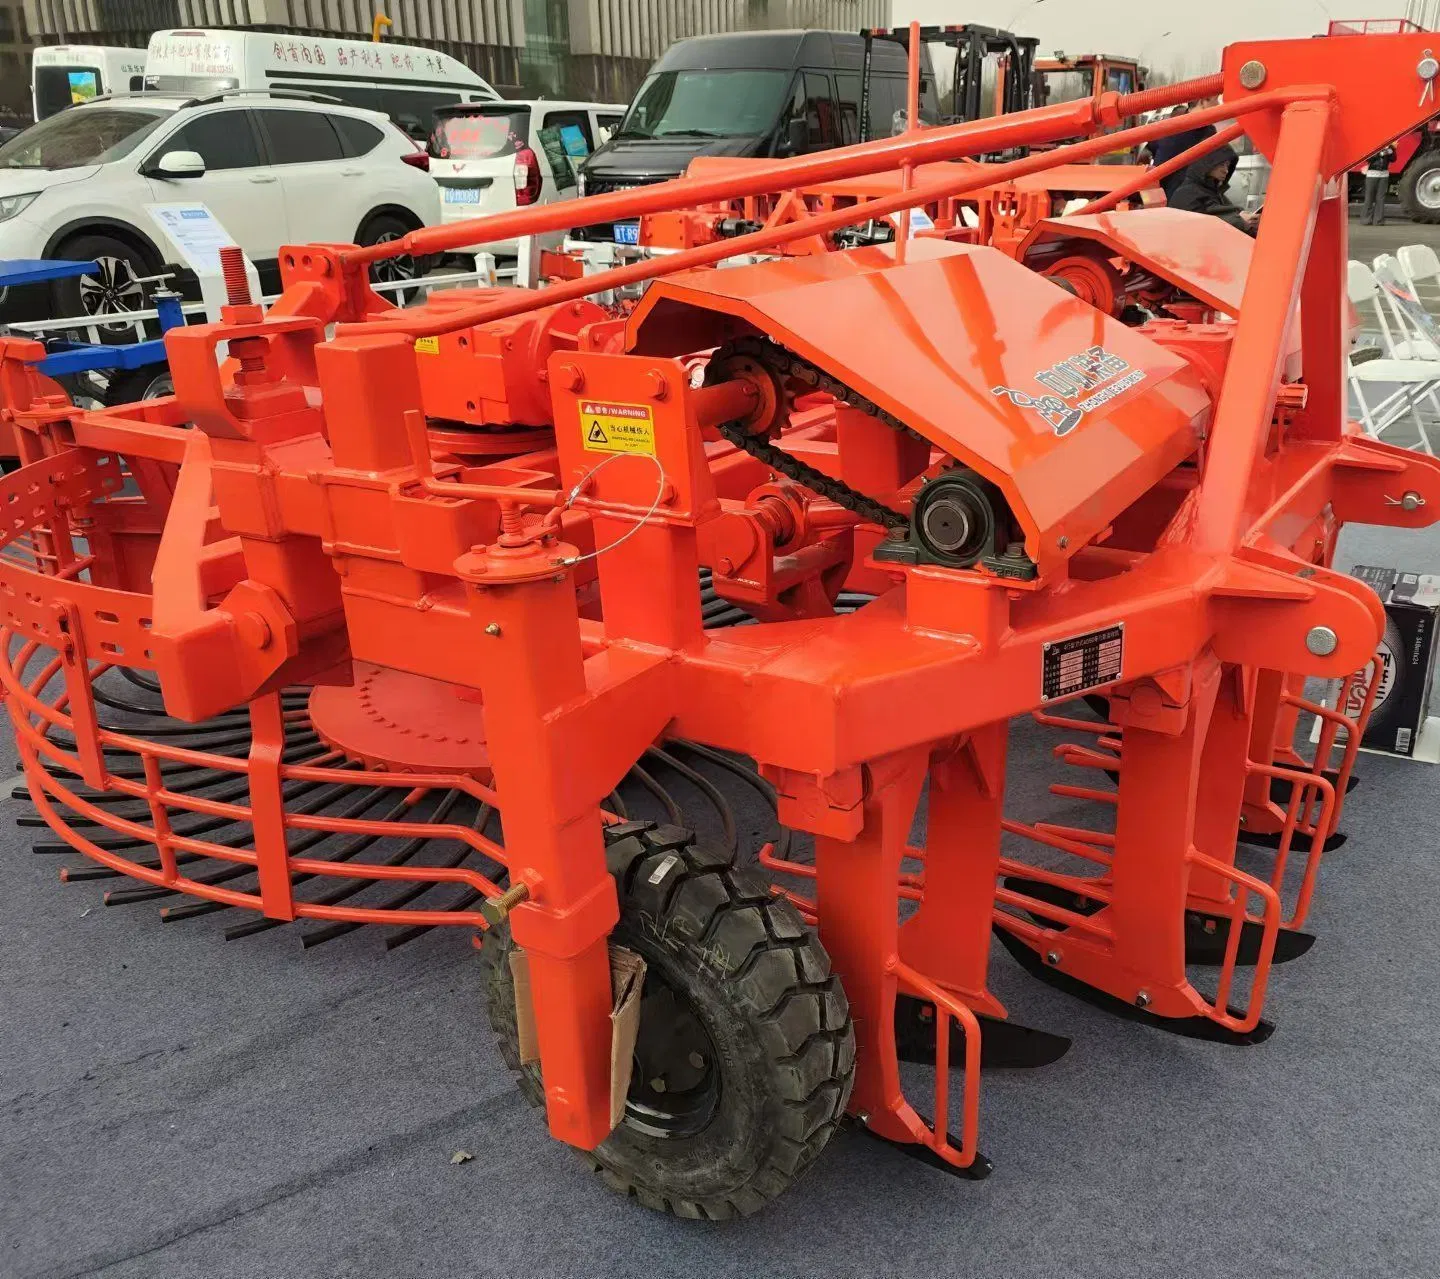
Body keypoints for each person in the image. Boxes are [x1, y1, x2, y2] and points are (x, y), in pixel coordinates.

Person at [1168, 146, 1258, 235]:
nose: (1226, 171)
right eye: (1222, 164)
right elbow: (1199, 226)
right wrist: (1240, 221)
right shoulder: (1186, 194)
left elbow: (1224, 214)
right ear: (1207, 163)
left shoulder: (1212, 190)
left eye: (1228, 166)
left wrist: (1247, 220)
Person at [1145, 98, 1220, 201]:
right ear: (1202, 102)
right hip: (1170, 200)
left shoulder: (1210, 131)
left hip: (1196, 200)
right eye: (1215, 99)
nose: (1218, 104)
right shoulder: (1172, 128)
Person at [1362, 144, 1396, 225]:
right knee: (1369, 198)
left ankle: (1379, 221)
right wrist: (1380, 154)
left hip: (1384, 175)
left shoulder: (1390, 147)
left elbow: (1393, 159)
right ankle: (1366, 220)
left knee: (1381, 198)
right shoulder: (1374, 145)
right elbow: (1368, 159)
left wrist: (1391, 152)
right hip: (1372, 174)